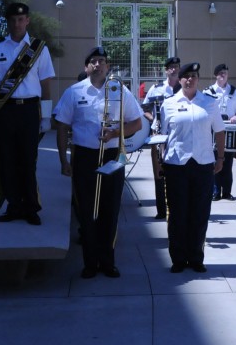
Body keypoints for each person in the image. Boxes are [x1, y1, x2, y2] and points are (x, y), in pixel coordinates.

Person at [55, 47, 143, 279]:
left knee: (110, 209)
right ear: (86, 67)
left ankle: (107, 261)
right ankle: (90, 263)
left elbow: (136, 123)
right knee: (86, 210)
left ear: (108, 67)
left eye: (101, 61)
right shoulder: (74, 92)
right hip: (84, 156)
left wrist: (115, 133)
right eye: (93, 61)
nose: (97, 65)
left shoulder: (119, 91)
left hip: (112, 156)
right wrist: (63, 160)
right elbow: (62, 126)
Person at [0, 2, 55, 225]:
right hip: (6, 110)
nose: (17, 23)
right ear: (8, 21)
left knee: (28, 160)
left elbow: (46, 84)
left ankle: (31, 207)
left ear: (28, 20)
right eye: (13, 19)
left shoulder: (38, 48)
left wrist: (46, 117)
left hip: (29, 110)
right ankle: (13, 206)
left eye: (21, 19)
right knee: (7, 160)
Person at [160, 62, 226, 273]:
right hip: (176, 165)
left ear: (198, 79)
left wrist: (221, 157)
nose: (190, 79)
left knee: (199, 213)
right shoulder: (168, 104)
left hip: (203, 164)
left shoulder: (209, 103)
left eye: (194, 76)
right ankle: (178, 258)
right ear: (179, 80)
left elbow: (220, 131)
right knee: (178, 214)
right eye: (186, 76)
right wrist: (160, 162)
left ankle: (196, 256)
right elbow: (162, 136)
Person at [142, 56, 181, 220]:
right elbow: (144, 109)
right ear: (166, 70)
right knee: (159, 172)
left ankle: (176, 208)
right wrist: (154, 120)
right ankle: (161, 209)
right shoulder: (156, 89)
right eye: (171, 67)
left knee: (176, 171)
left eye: (176, 66)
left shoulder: (184, 88)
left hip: (177, 134)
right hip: (158, 135)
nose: (174, 69)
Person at [204, 63, 236, 201]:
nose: (223, 75)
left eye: (225, 73)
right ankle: (215, 191)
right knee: (214, 160)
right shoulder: (208, 92)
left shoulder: (235, 92)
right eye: (220, 73)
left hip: (229, 130)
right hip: (213, 131)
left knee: (228, 162)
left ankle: (226, 191)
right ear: (216, 75)